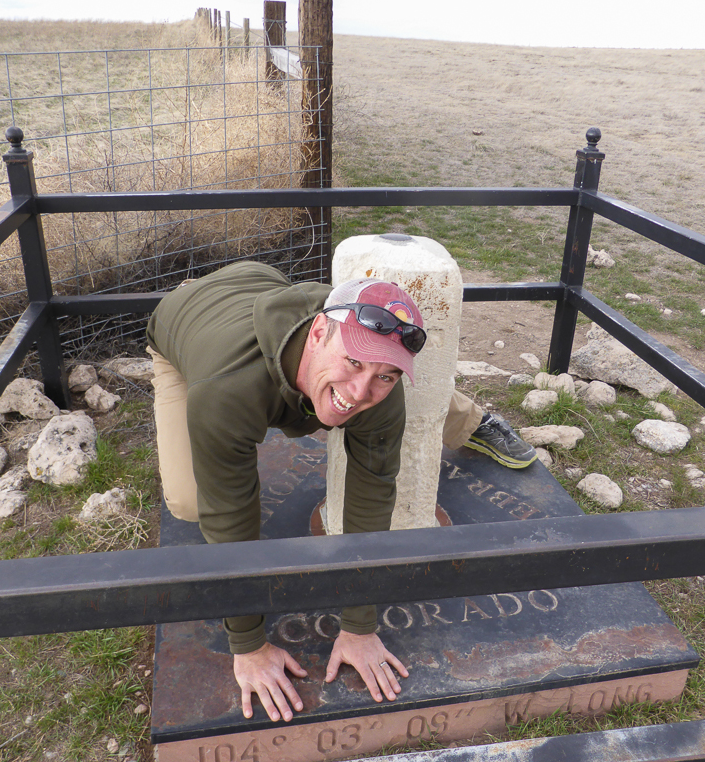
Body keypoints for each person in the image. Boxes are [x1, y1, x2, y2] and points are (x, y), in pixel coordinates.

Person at [146, 260, 535, 723]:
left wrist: (359, 626)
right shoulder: (226, 387)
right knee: (192, 502)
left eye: (386, 375)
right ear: (317, 334)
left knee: (354, 397)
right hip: (187, 321)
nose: (364, 387)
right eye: (354, 360)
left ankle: (471, 420)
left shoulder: (369, 375)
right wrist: (247, 644)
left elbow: (371, 494)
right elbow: (230, 514)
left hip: (261, 284)